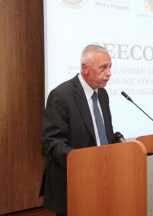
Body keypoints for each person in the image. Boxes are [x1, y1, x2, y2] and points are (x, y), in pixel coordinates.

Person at [39, 44, 122, 216]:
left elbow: (104, 136)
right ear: (85, 68)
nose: (109, 73)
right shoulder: (61, 95)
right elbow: (52, 143)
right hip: (73, 183)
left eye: (110, 67)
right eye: (103, 68)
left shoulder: (103, 95)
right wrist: (84, 163)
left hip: (103, 179)